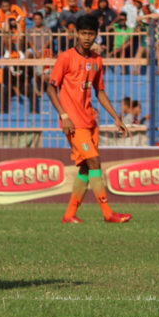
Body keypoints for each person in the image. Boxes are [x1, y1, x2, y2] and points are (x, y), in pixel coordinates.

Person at [46, 15, 132, 224]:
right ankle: (108, 213)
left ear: (96, 35)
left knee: (86, 167)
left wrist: (116, 117)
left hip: (90, 121)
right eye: (83, 33)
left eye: (90, 34)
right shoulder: (66, 57)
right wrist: (63, 115)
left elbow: (100, 92)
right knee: (94, 161)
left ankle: (69, 215)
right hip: (73, 123)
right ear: (76, 34)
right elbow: (50, 88)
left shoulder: (96, 60)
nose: (86, 37)